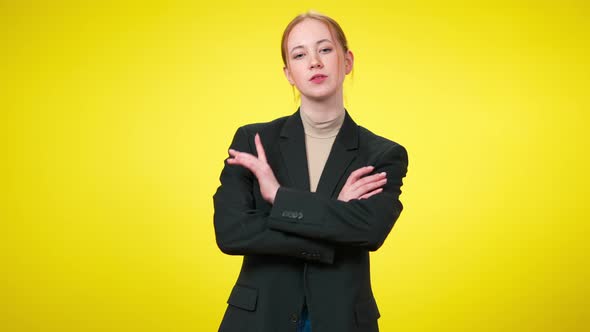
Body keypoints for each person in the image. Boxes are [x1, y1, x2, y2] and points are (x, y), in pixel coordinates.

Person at [213, 11, 409, 332]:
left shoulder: (383, 154)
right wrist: (335, 216)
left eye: (325, 49)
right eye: (300, 54)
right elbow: (232, 231)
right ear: (289, 73)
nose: (314, 62)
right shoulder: (254, 140)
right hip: (259, 319)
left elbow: (369, 231)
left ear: (347, 61)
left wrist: (278, 197)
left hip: (342, 320)